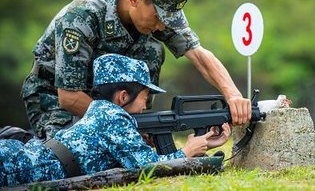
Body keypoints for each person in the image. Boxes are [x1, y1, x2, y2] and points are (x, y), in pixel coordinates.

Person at [21, 0, 250, 140]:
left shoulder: (156, 15)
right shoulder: (81, 17)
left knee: (153, 49)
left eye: (168, 18)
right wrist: (124, 127)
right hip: (56, 99)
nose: (162, 25)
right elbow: (68, 97)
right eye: (158, 16)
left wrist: (233, 95)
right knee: (79, 155)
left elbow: (198, 54)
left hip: (110, 104)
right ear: (135, 0)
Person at [0, 54, 230, 187]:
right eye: (145, 97)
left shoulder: (100, 110)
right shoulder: (114, 116)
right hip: (22, 166)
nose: (145, 105)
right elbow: (148, 168)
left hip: (24, 159)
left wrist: (204, 143)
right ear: (123, 96)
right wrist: (187, 151)